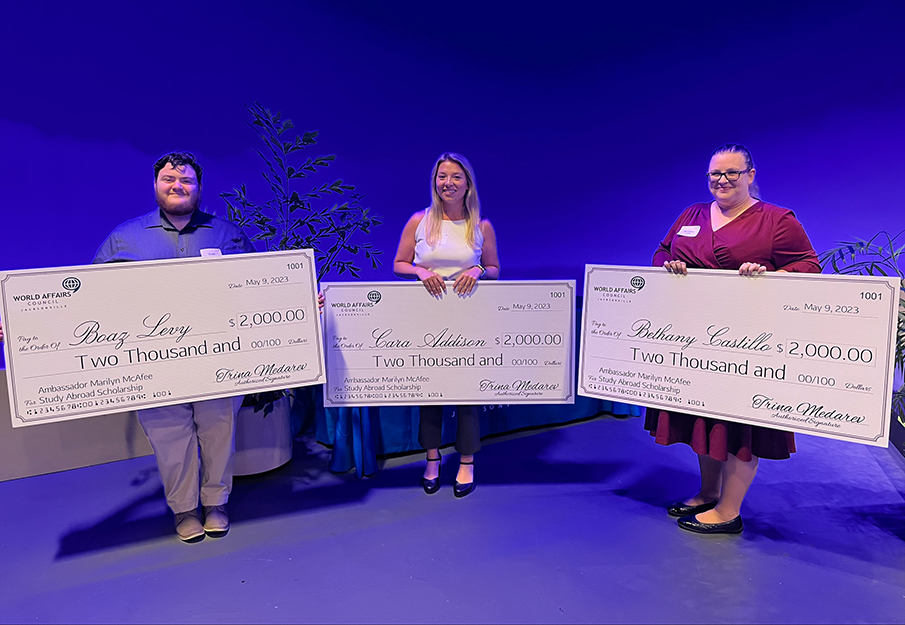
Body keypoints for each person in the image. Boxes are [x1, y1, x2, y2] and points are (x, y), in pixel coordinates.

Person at [646, 143, 820, 535]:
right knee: (703, 416)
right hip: (692, 336)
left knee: (737, 422)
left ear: (751, 175)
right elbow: (661, 251)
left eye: (731, 173)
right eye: (714, 174)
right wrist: (669, 265)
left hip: (747, 341)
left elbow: (809, 265)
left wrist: (771, 277)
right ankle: (708, 493)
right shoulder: (691, 214)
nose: (721, 181)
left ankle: (729, 511)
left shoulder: (777, 220)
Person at [94, 151, 256, 542]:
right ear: (155, 186)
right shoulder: (123, 238)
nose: (177, 186)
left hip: (219, 359)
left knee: (219, 430)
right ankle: (184, 510)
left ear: (199, 188)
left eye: (186, 181)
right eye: (169, 180)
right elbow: (87, 297)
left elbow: (260, 286)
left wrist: (303, 301)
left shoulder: (227, 234)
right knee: (171, 439)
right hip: (153, 363)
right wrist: (19, 326)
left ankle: (216, 502)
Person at [393, 152, 500, 497]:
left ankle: (466, 460)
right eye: (442, 176)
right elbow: (399, 264)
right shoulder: (419, 221)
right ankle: (432, 457)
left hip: (468, 317)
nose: (448, 183)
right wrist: (421, 270)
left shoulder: (481, 225)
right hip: (427, 316)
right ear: (434, 181)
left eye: (456, 177)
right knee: (430, 387)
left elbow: (495, 268)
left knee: (467, 391)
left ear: (468, 183)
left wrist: (478, 270)